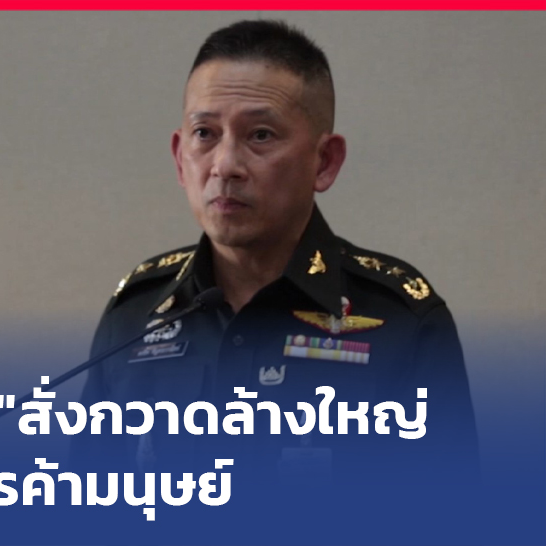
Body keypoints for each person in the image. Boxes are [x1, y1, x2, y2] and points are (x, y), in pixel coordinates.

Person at [71, 19, 478, 483]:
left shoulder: (401, 320)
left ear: (324, 162)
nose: (225, 165)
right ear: (180, 158)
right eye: (205, 133)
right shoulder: (137, 314)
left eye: (260, 135)